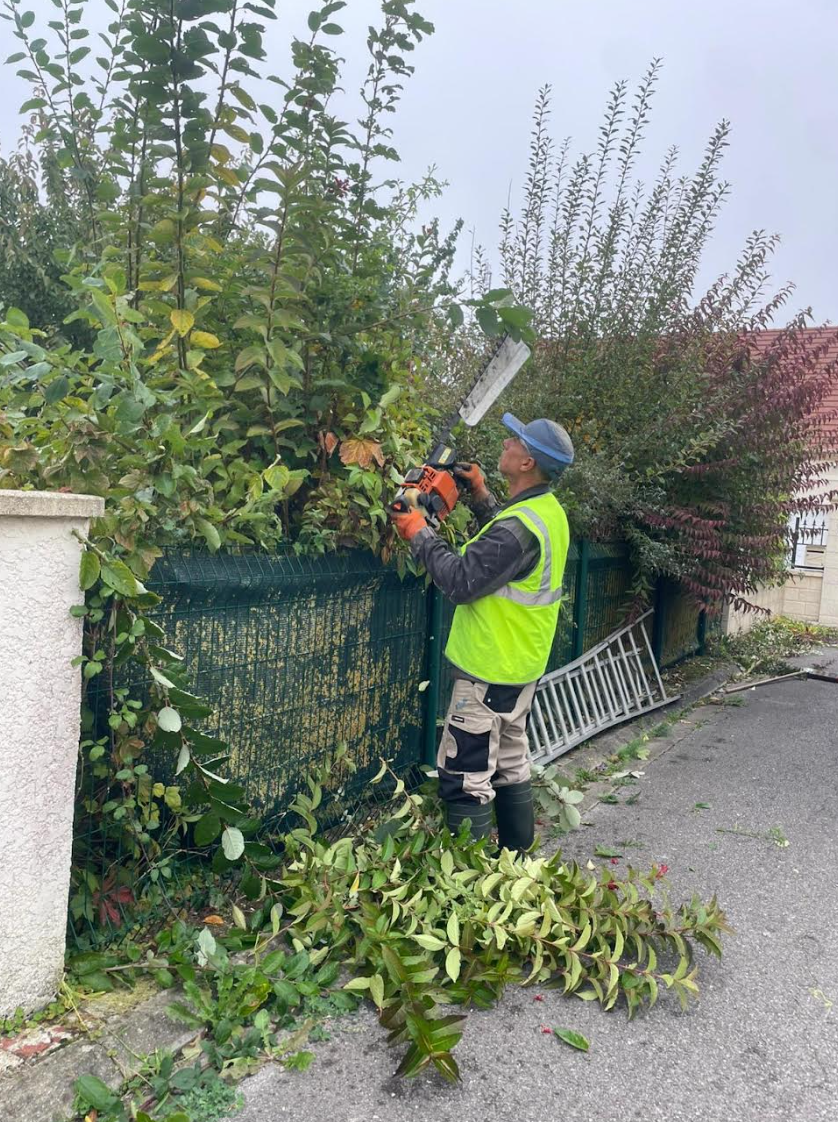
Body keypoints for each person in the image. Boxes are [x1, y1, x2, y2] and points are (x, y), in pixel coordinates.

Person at [389, 412, 574, 853]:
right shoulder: (543, 513)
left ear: (528, 463)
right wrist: (481, 496)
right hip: (519, 667)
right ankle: (518, 864)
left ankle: (469, 886)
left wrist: (417, 530)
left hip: (488, 671)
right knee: (511, 765)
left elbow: (462, 581)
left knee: (464, 777)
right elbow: (508, 551)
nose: (507, 444)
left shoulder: (519, 527)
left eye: (516, 442)